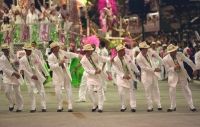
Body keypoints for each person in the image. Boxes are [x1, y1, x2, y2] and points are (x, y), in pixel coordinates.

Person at [163, 44, 197, 112]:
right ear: (169, 52)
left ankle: (191, 106)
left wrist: (194, 68)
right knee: (172, 91)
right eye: (173, 51)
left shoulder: (180, 54)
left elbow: (188, 61)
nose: (175, 51)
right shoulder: (165, 59)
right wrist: (174, 68)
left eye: (175, 50)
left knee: (186, 89)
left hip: (182, 74)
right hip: (173, 75)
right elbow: (167, 69)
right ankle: (172, 106)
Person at [48, 42, 80, 112]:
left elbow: (70, 54)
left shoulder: (62, 52)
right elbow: (51, 67)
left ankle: (70, 105)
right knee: (58, 91)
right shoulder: (50, 57)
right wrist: (59, 63)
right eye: (56, 47)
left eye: (58, 47)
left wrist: (78, 55)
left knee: (68, 89)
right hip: (57, 75)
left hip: (65, 73)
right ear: (53, 49)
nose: (58, 48)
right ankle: (60, 105)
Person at [80, 44, 110, 113]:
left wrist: (110, 59)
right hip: (90, 77)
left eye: (91, 50)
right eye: (90, 50)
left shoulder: (95, 55)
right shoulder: (83, 60)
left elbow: (102, 59)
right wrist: (94, 72)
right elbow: (87, 70)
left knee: (99, 91)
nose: (91, 51)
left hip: (98, 76)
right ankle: (94, 104)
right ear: (86, 51)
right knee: (90, 92)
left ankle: (100, 107)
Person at [19, 44, 47, 113]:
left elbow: (41, 64)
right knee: (30, 92)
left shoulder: (35, 56)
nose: (29, 52)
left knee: (42, 91)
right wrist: (31, 75)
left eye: (30, 50)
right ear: (25, 51)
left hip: (38, 76)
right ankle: (33, 107)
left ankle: (44, 106)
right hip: (29, 78)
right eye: (28, 50)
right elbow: (23, 69)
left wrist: (46, 73)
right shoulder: (22, 59)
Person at [112, 44, 140, 112]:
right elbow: (116, 70)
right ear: (119, 51)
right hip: (121, 78)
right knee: (121, 92)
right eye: (122, 50)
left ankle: (133, 106)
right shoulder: (115, 60)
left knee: (131, 92)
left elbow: (132, 65)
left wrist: (137, 71)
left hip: (130, 76)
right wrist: (123, 76)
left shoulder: (127, 57)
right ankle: (123, 106)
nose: (124, 51)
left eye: (124, 50)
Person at [136, 41, 162, 112]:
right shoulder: (138, 58)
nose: (146, 49)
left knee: (156, 89)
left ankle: (159, 105)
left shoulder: (149, 52)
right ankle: (150, 106)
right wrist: (154, 69)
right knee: (148, 91)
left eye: (147, 48)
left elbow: (157, 56)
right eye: (145, 49)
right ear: (141, 49)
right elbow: (144, 68)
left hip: (154, 74)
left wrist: (161, 62)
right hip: (146, 75)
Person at [0, 44, 23, 112]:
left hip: (16, 76)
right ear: (3, 51)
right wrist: (13, 73)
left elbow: (18, 63)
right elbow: (4, 68)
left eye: (8, 49)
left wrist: (19, 71)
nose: (7, 50)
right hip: (7, 76)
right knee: (7, 92)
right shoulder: (1, 58)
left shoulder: (13, 55)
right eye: (5, 49)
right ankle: (11, 102)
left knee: (17, 92)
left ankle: (20, 106)